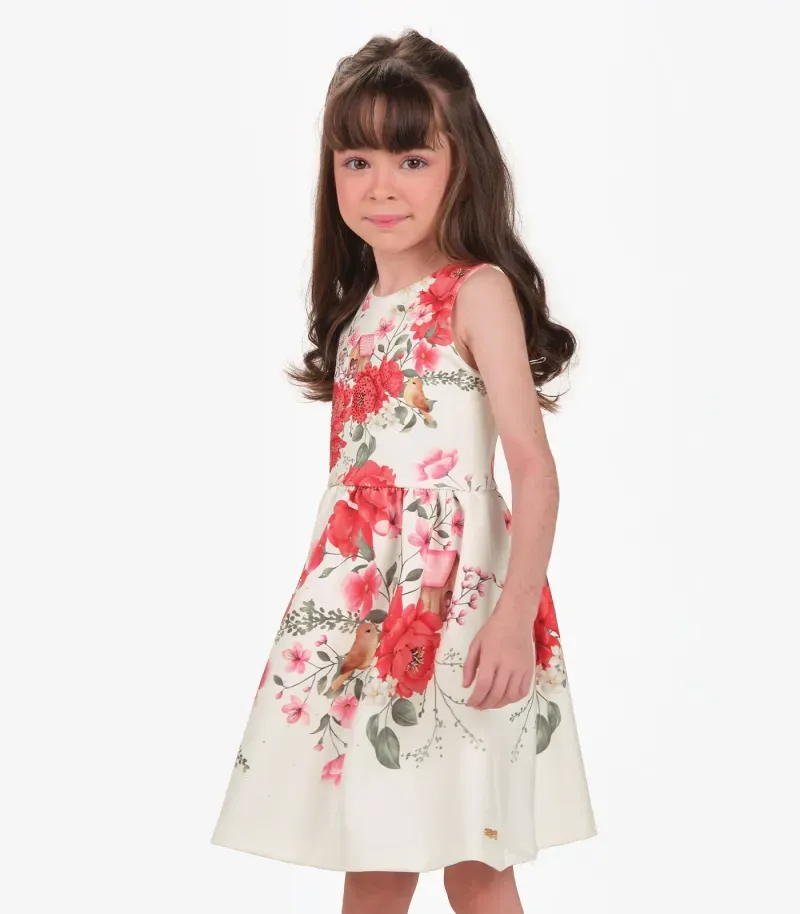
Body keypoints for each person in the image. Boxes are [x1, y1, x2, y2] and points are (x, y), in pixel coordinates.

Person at [211, 28, 597, 914]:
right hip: (366, 619)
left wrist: (512, 620)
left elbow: (534, 473)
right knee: (376, 852)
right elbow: (353, 502)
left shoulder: (476, 293)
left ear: (461, 167)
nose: (381, 186)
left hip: (459, 615)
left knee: (475, 859)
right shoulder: (357, 321)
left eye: (412, 159)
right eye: (357, 161)